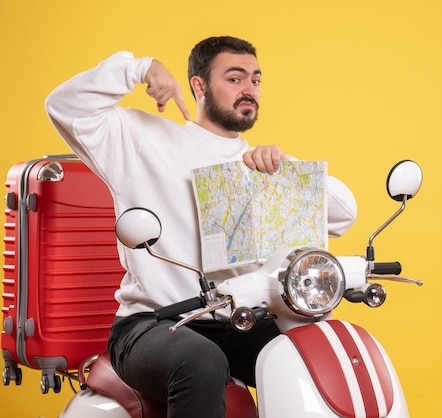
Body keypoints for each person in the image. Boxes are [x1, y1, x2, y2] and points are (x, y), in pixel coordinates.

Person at [45, 36, 357, 418]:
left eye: (256, 80)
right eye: (235, 78)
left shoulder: (259, 167)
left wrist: (287, 167)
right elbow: (64, 105)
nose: (249, 90)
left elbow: (344, 213)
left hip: (237, 323)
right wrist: (140, 68)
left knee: (315, 347)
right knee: (201, 361)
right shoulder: (145, 140)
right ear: (199, 85)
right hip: (154, 325)